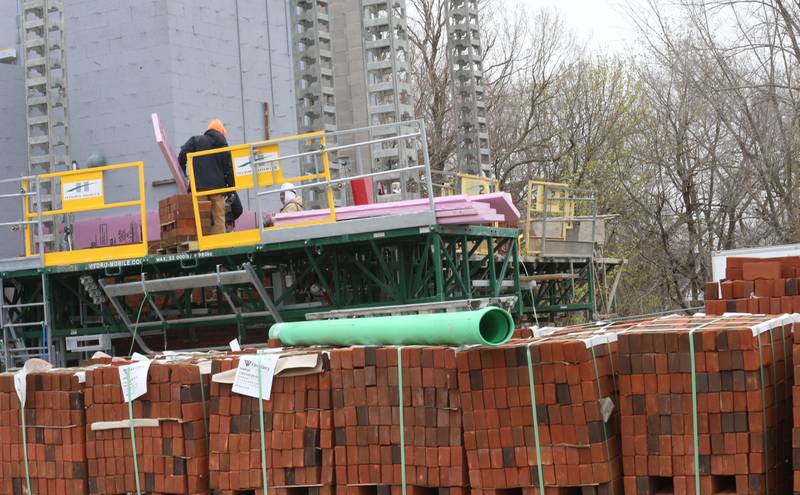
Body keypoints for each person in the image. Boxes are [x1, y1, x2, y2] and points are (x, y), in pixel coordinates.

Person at [178, 119, 233, 235]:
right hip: (218, 189)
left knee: (200, 217)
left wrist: (183, 175)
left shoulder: (197, 140)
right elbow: (229, 169)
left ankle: (202, 243)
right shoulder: (224, 146)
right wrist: (231, 189)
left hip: (199, 188)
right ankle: (219, 244)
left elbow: (182, 155)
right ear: (222, 132)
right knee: (219, 218)